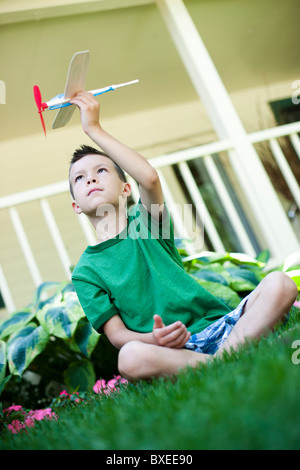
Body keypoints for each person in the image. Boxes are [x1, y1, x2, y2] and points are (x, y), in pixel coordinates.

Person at [69, 91, 298, 381]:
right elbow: (118, 336)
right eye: (79, 177)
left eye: (101, 170)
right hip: (174, 350)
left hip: (221, 325)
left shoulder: (147, 223)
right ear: (76, 205)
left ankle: (222, 357)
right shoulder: (86, 272)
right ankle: (231, 356)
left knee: (280, 282)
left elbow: (149, 178)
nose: (90, 178)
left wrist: (94, 129)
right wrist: (158, 339)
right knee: (129, 357)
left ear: (126, 189)